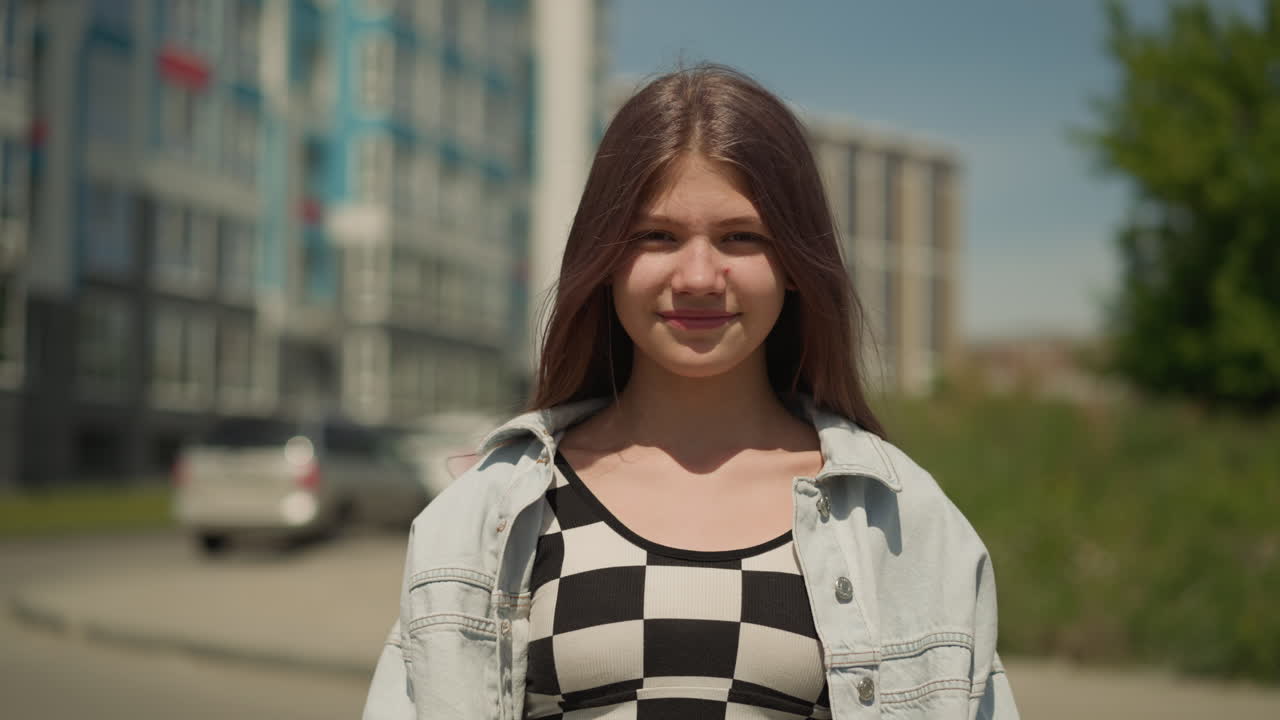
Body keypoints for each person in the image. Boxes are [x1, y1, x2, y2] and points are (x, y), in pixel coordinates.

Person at [363, 64, 1018, 720]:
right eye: (658, 236)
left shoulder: (899, 519)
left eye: (741, 237)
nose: (699, 276)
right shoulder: (494, 511)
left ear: (794, 261)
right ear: (605, 259)